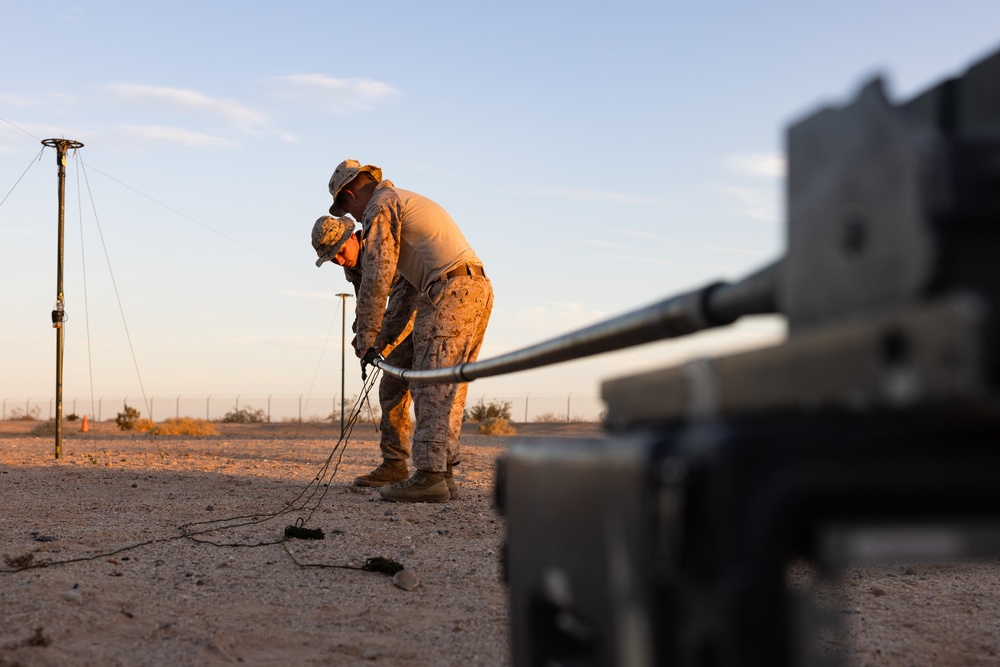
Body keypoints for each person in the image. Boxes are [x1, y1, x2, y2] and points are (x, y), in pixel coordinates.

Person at [326, 159, 493, 503]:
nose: (358, 220)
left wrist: (370, 335)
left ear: (349, 194)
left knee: (431, 383)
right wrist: (380, 337)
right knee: (447, 383)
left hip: (449, 290)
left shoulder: (381, 206)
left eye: (351, 212)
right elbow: (402, 292)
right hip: (471, 287)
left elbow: (377, 276)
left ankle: (430, 477)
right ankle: (441, 473)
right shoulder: (400, 201)